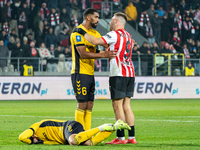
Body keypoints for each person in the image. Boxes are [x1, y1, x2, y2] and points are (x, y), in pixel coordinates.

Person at [74, 12, 137, 144]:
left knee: (117, 106)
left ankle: (120, 138)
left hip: (118, 73)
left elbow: (94, 41)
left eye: (111, 20)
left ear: (116, 22)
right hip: (130, 72)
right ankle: (131, 137)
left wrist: (80, 31)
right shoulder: (128, 35)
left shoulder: (114, 34)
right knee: (127, 106)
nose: (109, 23)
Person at [70, 8, 116, 131]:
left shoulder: (94, 34)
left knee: (90, 105)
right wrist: (104, 55)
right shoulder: (77, 33)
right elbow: (83, 54)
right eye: (96, 17)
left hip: (90, 73)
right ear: (88, 18)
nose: (98, 19)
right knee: (82, 104)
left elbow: (106, 44)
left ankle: (87, 134)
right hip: (80, 73)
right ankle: (78, 134)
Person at [19, 119, 130, 145]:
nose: (32, 142)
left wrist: (31, 132)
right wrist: (33, 142)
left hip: (69, 126)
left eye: (31, 139)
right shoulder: (42, 141)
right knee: (88, 143)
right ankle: (115, 126)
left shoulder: (37, 126)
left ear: (32, 134)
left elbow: (21, 137)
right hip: (67, 135)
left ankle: (101, 127)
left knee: (73, 141)